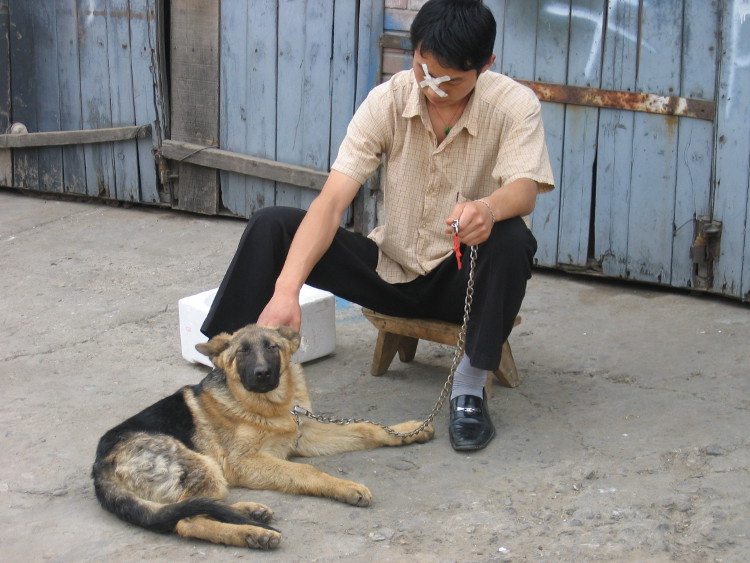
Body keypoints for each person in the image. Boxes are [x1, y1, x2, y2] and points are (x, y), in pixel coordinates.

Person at [201, 0, 555, 451]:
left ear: (486, 64)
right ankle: (223, 370)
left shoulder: (514, 105)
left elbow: (524, 189)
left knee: (511, 237)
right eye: (424, 70)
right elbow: (331, 203)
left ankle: (469, 387)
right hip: (389, 269)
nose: (434, 89)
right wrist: (287, 290)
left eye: (453, 81)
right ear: (414, 51)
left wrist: (487, 207)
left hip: (461, 282)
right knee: (273, 224)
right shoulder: (388, 100)